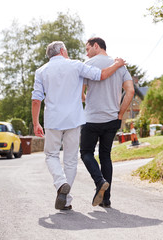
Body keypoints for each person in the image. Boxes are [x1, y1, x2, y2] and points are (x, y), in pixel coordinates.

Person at [31, 41, 126, 210]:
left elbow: (36, 100)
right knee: (70, 160)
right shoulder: (76, 65)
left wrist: (36, 122)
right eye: (65, 50)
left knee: (51, 155)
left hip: (53, 120)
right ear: (62, 50)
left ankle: (61, 185)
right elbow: (102, 75)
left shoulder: (41, 71)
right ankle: (65, 199)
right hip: (74, 120)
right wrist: (117, 64)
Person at [80, 37, 134, 208]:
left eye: (88, 49)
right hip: (112, 119)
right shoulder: (120, 65)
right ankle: (106, 199)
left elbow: (79, 93)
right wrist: (120, 113)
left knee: (86, 152)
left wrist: (89, 100)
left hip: (91, 119)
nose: (86, 53)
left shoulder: (87, 65)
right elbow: (130, 91)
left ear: (96, 46)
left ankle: (99, 181)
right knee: (105, 156)